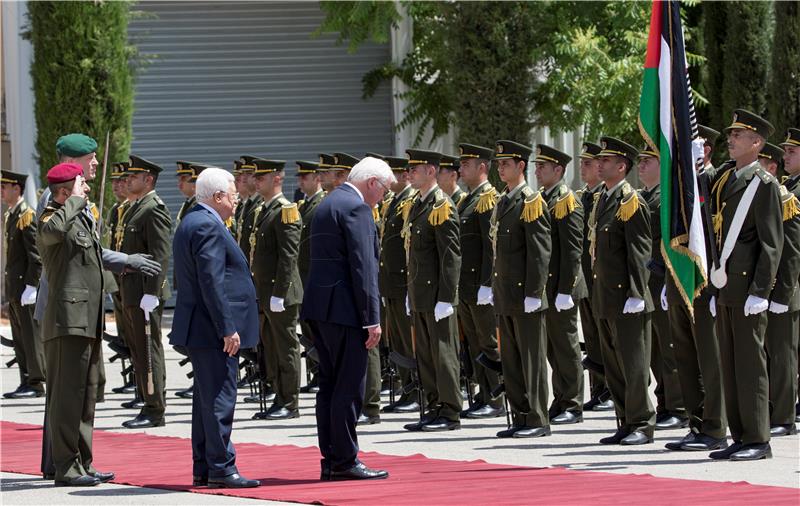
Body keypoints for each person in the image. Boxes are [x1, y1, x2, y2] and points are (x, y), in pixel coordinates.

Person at [301, 156, 393, 481]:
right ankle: (344, 459)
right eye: (384, 189)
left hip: (321, 308)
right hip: (346, 312)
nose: (383, 196)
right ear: (371, 183)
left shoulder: (329, 202)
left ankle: (330, 457)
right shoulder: (357, 208)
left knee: (328, 385)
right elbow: (363, 266)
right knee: (350, 386)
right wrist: (371, 318)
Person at [170, 167, 260, 489]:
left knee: (206, 402)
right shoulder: (207, 225)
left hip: (201, 327)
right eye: (233, 193)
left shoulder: (193, 220)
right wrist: (227, 327)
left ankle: (204, 467)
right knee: (220, 398)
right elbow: (211, 281)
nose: (237, 199)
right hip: (213, 330)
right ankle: (222, 467)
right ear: (218, 196)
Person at [709, 109, 782, 461]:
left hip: (747, 288)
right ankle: (738, 435)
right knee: (730, 362)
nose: (731, 139)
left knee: (750, 365)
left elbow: (771, 243)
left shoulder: (765, 185)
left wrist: (760, 291)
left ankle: (758, 439)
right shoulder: (727, 180)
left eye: (739, 135)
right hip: (725, 287)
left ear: (757, 143)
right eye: (731, 134)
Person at [37, 163, 116, 487]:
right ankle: (65, 467)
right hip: (67, 321)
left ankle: (83, 462)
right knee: (67, 395)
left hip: (88, 319)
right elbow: (51, 233)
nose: (86, 189)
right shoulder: (49, 217)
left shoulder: (80, 217)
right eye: (80, 185)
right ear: (64, 191)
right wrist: (73, 200)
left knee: (86, 394)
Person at [664, 125, 728, 452]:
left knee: (710, 357)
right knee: (686, 358)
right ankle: (697, 423)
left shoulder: (716, 182)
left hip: (705, 284)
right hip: (680, 280)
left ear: (706, 150)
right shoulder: (676, 185)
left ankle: (716, 427)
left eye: (694, 147)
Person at [591, 136, 655, 446]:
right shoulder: (604, 198)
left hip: (628, 298)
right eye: (599, 160)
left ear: (621, 166)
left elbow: (639, 251)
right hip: (606, 296)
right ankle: (625, 420)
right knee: (613, 365)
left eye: (606, 161)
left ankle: (642, 423)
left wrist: (636, 293)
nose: (599, 164)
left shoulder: (630, 201)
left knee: (633, 364)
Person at [490, 140, 552, 438]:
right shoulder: (504, 200)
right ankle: (520, 415)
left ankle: (538, 418)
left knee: (532, 360)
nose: (500, 168)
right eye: (498, 164)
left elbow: (540, 252)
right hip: (506, 292)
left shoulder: (531, 201)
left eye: (506, 164)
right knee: (512, 360)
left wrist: (534, 292)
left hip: (525, 294)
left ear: (520, 166)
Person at [403, 149, 463, 432]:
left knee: (443, 354)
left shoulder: (442, 206)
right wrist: (409, 291)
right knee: (425, 355)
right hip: (420, 294)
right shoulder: (418, 205)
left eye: (415, 170)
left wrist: (446, 297)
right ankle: (433, 405)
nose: (410, 174)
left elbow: (450, 257)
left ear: (431, 172)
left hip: (437, 295)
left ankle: (450, 410)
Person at [119, 155, 173, 429]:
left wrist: (152, 291)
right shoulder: (135, 208)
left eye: (133, 177)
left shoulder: (154, 208)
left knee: (149, 349)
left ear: (148, 179)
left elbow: (160, 254)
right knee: (139, 350)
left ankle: (155, 408)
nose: (128, 180)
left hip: (144, 293)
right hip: (132, 291)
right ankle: (148, 402)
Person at [535, 144, 586, 425]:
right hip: (549, 287)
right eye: (537, 166)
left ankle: (573, 403)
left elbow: (572, 250)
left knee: (566, 347)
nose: (538, 171)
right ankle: (561, 397)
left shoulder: (566, 200)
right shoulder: (544, 198)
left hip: (563, 286)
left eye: (543, 167)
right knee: (553, 347)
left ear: (559, 170)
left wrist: (566, 288)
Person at [637, 146, 687, 430]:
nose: (641, 166)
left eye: (648, 161)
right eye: (640, 162)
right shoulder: (643, 197)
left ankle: (678, 407)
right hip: (645, 283)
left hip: (661, 280)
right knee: (655, 349)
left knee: (669, 347)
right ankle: (665, 402)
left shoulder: (666, 198)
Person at [250, 158, 303, 420]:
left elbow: (288, 257)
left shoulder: (286, 210)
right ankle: (278, 396)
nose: (257, 181)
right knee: (271, 349)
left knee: (286, 349)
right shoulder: (265, 209)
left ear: (278, 179)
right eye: (256, 177)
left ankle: (289, 402)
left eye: (263, 177)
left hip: (280, 294)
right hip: (265, 293)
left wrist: (280, 293)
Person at [455, 143, 504, 419]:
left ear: (482, 168)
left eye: (466, 164)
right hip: (466, 285)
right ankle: (483, 393)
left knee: (488, 342)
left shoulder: (487, 199)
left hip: (480, 286)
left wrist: (487, 283)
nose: (461, 169)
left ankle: (495, 397)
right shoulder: (467, 200)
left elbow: (490, 247)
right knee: (474, 343)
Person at [761, 138, 800, 438]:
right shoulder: (783, 190)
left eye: (792, 151)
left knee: (783, 353)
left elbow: (791, 250)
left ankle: (784, 416)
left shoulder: (790, 195)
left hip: (788, 286)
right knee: (774, 351)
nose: (786, 156)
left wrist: (784, 293)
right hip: (773, 286)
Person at [377, 155, 419, 414]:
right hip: (390, 283)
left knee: (409, 341)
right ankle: (407, 388)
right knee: (398, 342)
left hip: (404, 283)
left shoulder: (409, 203)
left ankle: (415, 390)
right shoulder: (393, 203)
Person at [576, 142, 614, 412]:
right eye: (584, 163)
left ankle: (611, 388)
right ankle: (598, 388)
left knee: (607, 338)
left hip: (602, 277)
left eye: (588, 163)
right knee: (591, 336)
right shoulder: (582, 197)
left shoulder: (606, 196)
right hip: (586, 277)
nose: (585, 168)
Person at [1, 170, 45, 399]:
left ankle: (36, 382)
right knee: (19, 338)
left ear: (16, 188)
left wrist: (32, 286)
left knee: (30, 337)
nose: (1, 191)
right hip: (15, 288)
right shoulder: (12, 215)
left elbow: (35, 256)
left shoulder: (26, 216)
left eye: (4, 187)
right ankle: (25, 379)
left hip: (24, 288)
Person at [296, 160, 325, 394]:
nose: (300, 181)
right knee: (308, 332)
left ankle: (322, 371)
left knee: (317, 332)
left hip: (314, 279)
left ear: (317, 178)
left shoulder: (321, 204)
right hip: (303, 279)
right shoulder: (304, 205)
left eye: (305, 177)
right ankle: (316, 373)